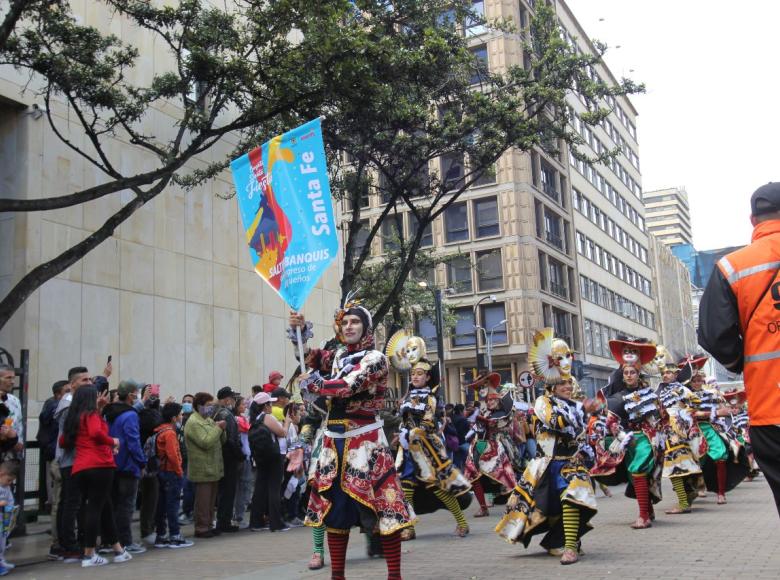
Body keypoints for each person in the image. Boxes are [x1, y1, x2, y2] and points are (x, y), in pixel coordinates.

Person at [289, 298, 413, 580]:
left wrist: (317, 384)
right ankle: (338, 576)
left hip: (365, 444)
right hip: (334, 445)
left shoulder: (375, 359)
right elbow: (309, 357)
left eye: (355, 321)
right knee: (335, 512)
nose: (348, 326)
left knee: (386, 509)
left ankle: (394, 576)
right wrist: (299, 334)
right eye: (344, 322)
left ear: (367, 327)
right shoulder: (337, 357)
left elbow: (349, 385)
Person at [698, 182, 780, 517]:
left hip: (771, 408)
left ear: (752, 220)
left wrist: (740, 360)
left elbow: (714, 334)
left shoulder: (733, 267)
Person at [496, 376, 601, 565]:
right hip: (545, 466)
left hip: (570, 464)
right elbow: (554, 421)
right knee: (551, 509)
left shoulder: (575, 406)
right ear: (551, 387)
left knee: (574, 498)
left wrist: (585, 454)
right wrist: (583, 410)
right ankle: (557, 542)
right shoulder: (542, 402)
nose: (568, 386)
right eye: (562, 383)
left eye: (569, 382)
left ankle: (569, 547)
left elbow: (581, 436)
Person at [591, 338, 663, 529]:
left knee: (639, 471)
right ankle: (646, 511)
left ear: (639, 374)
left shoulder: (651, 394)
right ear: (622, 376)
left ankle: (643, 516)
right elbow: (611, 423)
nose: (629, 375)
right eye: (626, 373)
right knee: (636, 475)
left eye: (633, 372)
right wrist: (624, 437)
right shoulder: (616, 398)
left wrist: (660, 431)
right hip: (629, 439)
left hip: (649, 438)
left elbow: (662, 416)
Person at [397, 356, 471, 539]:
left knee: (438, 488)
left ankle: (462, 522)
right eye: (413, 374)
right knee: (406, 487)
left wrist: (413, 432)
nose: (415, 377)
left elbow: (430, 423)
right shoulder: (408, 396)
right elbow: (405, 421)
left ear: (428, 377)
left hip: (426, 449)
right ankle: (410, 527)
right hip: (408, 448)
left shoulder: (430, 398)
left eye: (419, 374)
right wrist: (401, 434)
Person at [60, 386, 131, 567]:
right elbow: (96, 433)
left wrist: (99, 410)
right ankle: (89, 553)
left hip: (81, 466)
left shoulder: (75, 417)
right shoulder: (91, 415)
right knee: (95, 509)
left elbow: (63, 441)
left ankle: (118, 550)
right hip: (100, 465)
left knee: (104, 507)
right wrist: (112, 441)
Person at [54, 366, 106, 563]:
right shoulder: (68, 405)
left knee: (80, 503)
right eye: (85, 380)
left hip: (83, 460)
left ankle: (83, 541)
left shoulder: (82, 404)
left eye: (89, 380)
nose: (89, 383)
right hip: (71, 461)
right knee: (71, 503)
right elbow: (75, 433)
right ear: (72, 384)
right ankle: (67, 545)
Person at [102, 380, 147, 554]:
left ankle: (109, 541)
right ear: (130, 395)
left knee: (112, 504)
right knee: (126, 506)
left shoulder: (108, 412)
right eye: (136, 392)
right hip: (128, 465)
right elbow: (133, 441)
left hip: (111, 464)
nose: (137, 395)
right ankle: (125, 541)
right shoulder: (130, 415)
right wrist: (141, 462)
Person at [463, 372, 517, 517]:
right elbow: (476, 425)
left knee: (505, 475)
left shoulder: (503, 403)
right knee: (472, 473)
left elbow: (501, 422)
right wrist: (473, 418)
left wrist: (483, 419)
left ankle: (515, 504)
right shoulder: (481, 406)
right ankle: (483, 507)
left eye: (482, 386)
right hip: (479, 444)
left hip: (495, 444)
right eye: (478, 388)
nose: (480, 391)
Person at [655, 360, 702, 514]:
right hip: (665, 432)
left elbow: (695, 402)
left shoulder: (680, 388)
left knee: (675, 467)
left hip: (676, 432)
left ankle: (683, 502)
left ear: (675, 374)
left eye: (668, 373)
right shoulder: (661, 390)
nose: (665, 375)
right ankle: (688, 494)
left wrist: (683, 414)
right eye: (663, 373)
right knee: (677, 466)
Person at [183, 392, 226, 538]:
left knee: (211, 500)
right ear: (199, 406)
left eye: (212, 406)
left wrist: (221, 429)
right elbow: (205, 442)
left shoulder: (207, 419)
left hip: (213, 467)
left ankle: (208, 524)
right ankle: (201, 527)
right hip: (202, 468)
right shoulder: (194, 422)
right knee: (203, 500)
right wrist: (218, 428)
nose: (211, 409)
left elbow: (219, 439)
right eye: (208, 405)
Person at [153, 402, 193, 548]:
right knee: (172, 505)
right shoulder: (169, 433)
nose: (181, 417)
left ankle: (161, 535)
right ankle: (175, 535)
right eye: (180, 415)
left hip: (162, 471)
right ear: (173, 417)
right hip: (171, 472)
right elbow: (173, 455)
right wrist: (179, 471)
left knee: (162, 504)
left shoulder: (159, 430)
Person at [248, 392, 288, 533]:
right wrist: (287, 423)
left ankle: (256, 522)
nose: (271, 406)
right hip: (274, 456)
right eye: (270, 403)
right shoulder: (267, 417)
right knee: (274, 489)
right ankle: (276, 523)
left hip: (261, 456)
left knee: (260, 488)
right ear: (265, 406)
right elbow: (282, 433)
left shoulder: (254, 418)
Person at [37, 380, 68, 556]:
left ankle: (63, 540)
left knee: (64, 501)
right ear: (57, 394)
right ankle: (57, 543)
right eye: (67, 391)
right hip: (57, 459)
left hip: (61, 458)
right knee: (58, 501)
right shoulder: (53, 406)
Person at [213, 387, 242, 534]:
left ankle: (222, 520)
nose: (234, 401)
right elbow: (231, 439)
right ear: (227, 399)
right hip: (228, 457)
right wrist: (239, 454)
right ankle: (224, 522)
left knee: (224, 491)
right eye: (233, 398)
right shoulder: (225, 414)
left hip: (221, 456)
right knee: (228, 491)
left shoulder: (216, 412)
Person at [233, 396, 254, 529]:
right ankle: (238, 516)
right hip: (242, 457)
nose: (245, 407)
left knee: (242, 487)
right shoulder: (238, 419)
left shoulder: (241, 418)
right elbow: (248, 428)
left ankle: (237, 515)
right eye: (242, 405)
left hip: (245, 456)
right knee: (243, 488)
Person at [0, 461, 19, 575]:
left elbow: (10, 500)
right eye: (8, 480)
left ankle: (1, 561)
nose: (10, 483)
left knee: (2, 543)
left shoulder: (6, 487)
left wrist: (12, 508)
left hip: (4, 519)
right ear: (1, 474)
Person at [179, 393, 195, 525]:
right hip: (180, 459)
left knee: (189, 486)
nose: (187, 403)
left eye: (189, 401)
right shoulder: (179, 419)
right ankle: (186, 511)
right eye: (185, 401)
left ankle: (189, 511)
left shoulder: (195, 419)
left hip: (191, 458)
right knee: (185, 486)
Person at [0, 366, 23, 456]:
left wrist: (13, 437)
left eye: (13, 378)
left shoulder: (14, 401)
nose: (13, 382)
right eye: (8, 378)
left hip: (11, 456)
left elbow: (19, 430)